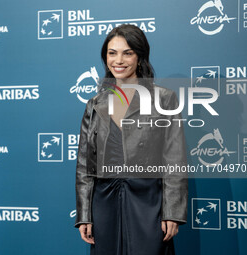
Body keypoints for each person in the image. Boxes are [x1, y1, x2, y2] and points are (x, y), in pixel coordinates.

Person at [74, 24, 188, 255]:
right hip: (104, 202)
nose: (119, 60)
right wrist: (85, 214)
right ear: (105, 57)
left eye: (128, 53)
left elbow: (174, 159)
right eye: (112, 52)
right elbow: (85, 164)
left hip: (148, 201)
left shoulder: (163, 99)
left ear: (140, 56)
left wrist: (172, 212)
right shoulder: (95, 104)